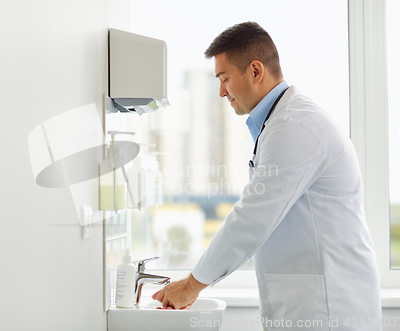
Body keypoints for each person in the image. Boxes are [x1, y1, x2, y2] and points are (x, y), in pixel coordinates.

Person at [152, 22, 382, 330]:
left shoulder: (296, 126)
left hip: (330, 307)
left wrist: (193, 284)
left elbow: (252, 218)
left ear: (256, 71)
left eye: (224, 78)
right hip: (309, 303)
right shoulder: (279, 123)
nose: (221, 91)